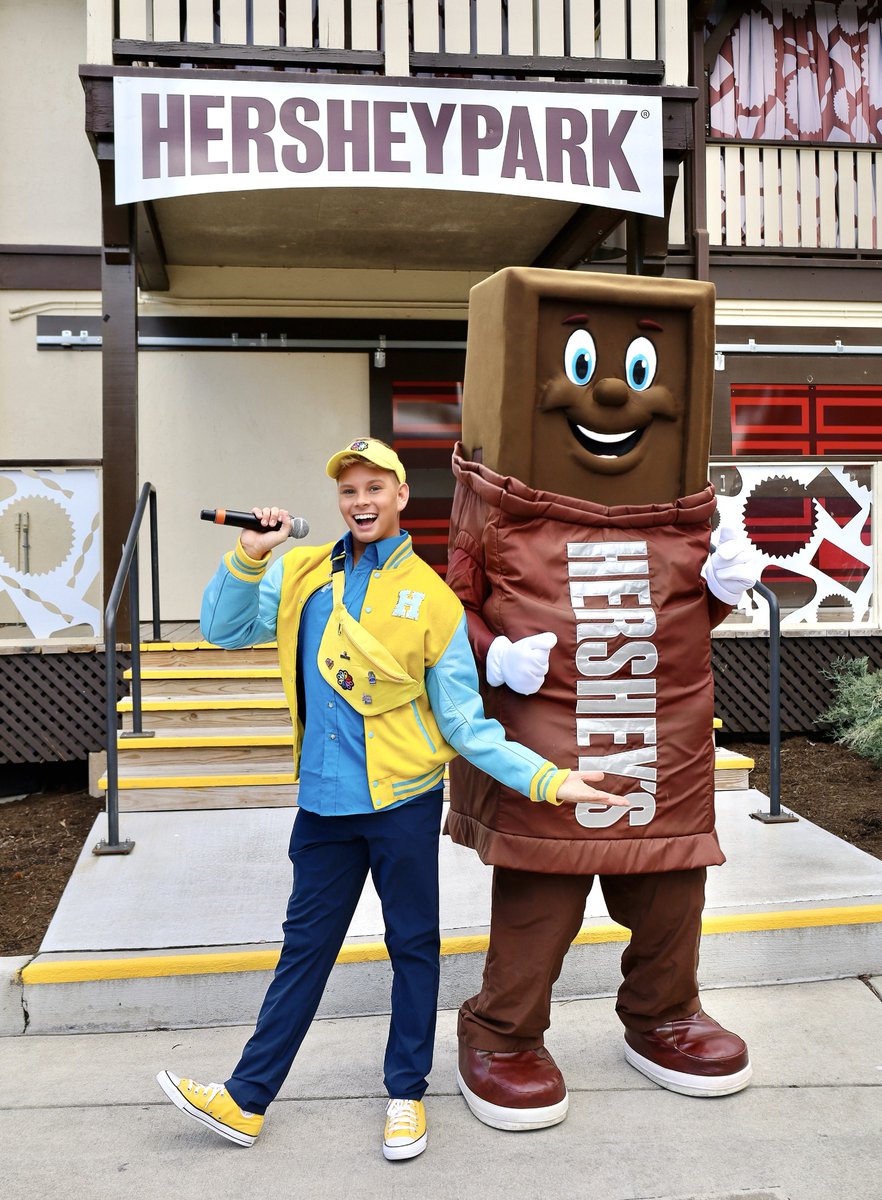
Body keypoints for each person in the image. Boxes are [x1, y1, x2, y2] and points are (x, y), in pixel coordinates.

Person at [156, 436, 624, 1161]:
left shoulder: (433, 601)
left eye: (376, 488)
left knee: (412, 947)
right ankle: (247, 1101)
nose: (361, 502)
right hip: (321, 805)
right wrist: (250, 556)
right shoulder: (303, 572)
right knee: (303, 952)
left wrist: (550, 778)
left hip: (403, 802)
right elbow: (222, 630)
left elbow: (466, 725)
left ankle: (406, 1095)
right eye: (349, 491)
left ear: (402, 496)